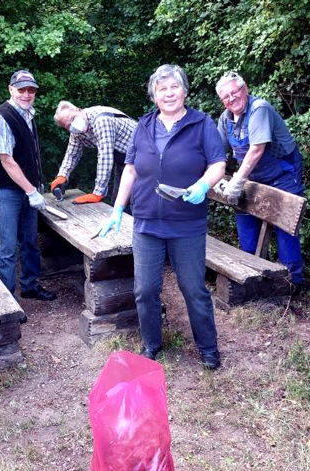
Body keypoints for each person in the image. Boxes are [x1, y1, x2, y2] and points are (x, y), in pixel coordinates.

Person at [96, 64, 226, 370]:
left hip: (186, 223)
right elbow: (130, 169)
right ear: (154, 94)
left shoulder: (201, 123)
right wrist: (117, 208)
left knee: (193, 288)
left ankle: (208, 348)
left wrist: (203, 184)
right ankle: (152, 343)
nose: (168, 93)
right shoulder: (143, 125)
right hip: (146, 222)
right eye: (161, 89)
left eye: (174, 87)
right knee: (145, 290)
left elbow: (218, 164)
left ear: (185, 90)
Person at [214, 71, 306, 291]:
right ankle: (252, 279)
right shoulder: (225, 119)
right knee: (245, 223)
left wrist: (236, 182)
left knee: (286, 226)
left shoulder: (259, 109)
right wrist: (214, 177)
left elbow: (256, 150)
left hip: (282, 175)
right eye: (226, 96)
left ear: (245, 89)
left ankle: (292, 285)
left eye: (235, 92)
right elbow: (217, 151)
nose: (231, 98)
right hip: (252, 177)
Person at [0, 70, 57, 302]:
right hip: (6, 191)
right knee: (7, 248)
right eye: (21, 89)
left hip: (27, 190)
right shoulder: (0, 117)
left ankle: (30, 286)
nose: (26, 94)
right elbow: (6, 160)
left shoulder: (28, 115)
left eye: (31, 90)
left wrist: (36, 186)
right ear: (11, 89)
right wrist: (31, 191)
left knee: (31, 241)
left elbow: (30, 156)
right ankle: (7, 302)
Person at [50, 101, 137, 205]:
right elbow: (72, 154)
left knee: (136, 203)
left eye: (73, 118)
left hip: (145, 156)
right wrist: (62, 176)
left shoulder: (101, 120)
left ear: (79, 109)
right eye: (68, 126)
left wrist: (98, 193)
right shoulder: (76, 132)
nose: (73, 124)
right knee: (119, 202)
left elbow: (105, 157)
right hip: (126, 160)